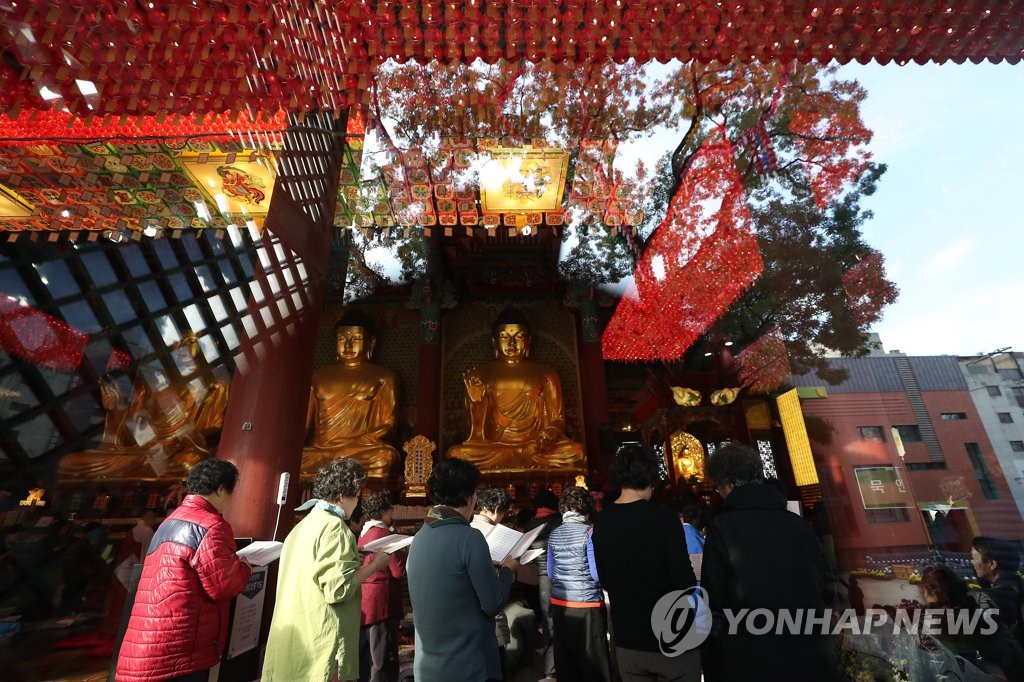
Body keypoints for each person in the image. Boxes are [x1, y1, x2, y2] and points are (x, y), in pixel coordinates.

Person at [701, 443, 836, 682]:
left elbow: (714, 595)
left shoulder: (721, 528)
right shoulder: (798, 525)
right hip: (805, 646)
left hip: (749, 650)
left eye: (718, 487)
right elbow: (824, 584)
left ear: (728, 484)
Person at [115, 459, 251, 682]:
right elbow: (223, 586)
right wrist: (245, 567)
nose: (232, 497)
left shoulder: (170, 521)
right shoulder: (212, 525)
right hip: (180, 645)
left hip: (148, 639)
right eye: (232, 490)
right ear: (220, 489)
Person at [262, 458, 391, 682]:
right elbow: (338, 589)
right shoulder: (334, 528)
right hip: (322, 641)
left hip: (295, 635)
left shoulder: (303, 525)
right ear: (342, 495)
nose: (357, 501)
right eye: (357, 494)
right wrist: (375, 565)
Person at [591, 443, 700, 682]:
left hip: (628, 638)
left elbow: (606, 579)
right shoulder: (665, 519)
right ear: (652, 478)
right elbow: (684, 581)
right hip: (671, 636)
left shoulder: (603, 521)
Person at [59, 331, 230, 480]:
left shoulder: (215, 385)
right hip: (143, 452)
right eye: (178, 345)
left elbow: (217, 428)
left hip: (178, 451)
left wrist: (182, 444)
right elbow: (137, 431)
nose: (183, 350)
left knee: (187, 465)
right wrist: (116, 408)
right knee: (67, 463)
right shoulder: (155, 381)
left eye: (190, 343)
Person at [407, 457, 518, 682]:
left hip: (428, 666)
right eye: (475, 492)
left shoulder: (419, 538)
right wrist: (507, 571)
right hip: (469, 664)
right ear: (468, 496)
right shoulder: (469, 538)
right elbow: (493, 603)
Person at [447, 306, 585, 471]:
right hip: (495, 449)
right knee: (457, 454)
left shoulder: (547, 374)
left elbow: (558, 418)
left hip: (536, 448)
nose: (511, 343)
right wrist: (478, 404)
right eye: (504, 337)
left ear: (528, 341)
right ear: (494, 342)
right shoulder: (478, 375)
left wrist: (550, 432)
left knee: (576, 452)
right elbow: (476, 437)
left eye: (518, 336)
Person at [302, 311, 400, 480]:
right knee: (300, 458)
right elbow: (302, 427)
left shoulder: (383, 376)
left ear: (371, 343)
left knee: (386, 456)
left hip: (360, 449)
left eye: (356, 339)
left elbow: (389, 424)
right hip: (321, 451)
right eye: (341, 339)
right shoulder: (316, 377)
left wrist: (356, 442)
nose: (347, 346)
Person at [547, 485, 610, 682]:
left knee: (567, 664)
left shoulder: (554, 533)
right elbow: (596, 573)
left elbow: (551, 572)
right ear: (587, 508)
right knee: (593, 664)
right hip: (587, 604)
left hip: (560, 604)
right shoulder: (589, 533)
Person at [917, 564, 1023, 679]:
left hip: (1004, 670)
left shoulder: (965, 614)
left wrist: (917, 619)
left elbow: (940, 629)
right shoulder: (973, 601)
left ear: (933, 592)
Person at [357, 491, 408, 682]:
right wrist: (401, 549)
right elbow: (398, 571)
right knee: (382, 659)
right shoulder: (386, 535)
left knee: (366, 658)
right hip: (382, 604)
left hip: (364, 601)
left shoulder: (363, 533)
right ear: (385, 511)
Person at [469, 487, 514, 672]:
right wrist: (510, 569)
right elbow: (505, 577)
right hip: (492, 605)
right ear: (497, 510)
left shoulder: (466, 529)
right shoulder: (500, 535)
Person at [523, 488, 562, 682]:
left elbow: (526, 556)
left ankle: (550, 668)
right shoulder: (558, 522)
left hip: (542, 578)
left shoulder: (531, 524)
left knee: (548, 622)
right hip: (562, 576)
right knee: (565, 619)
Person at [971, 536, 1023, 641]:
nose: (972, 562)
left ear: (992, 564)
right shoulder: (1018, 588)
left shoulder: (986, 598)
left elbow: (958, 628)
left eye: (975, 558)